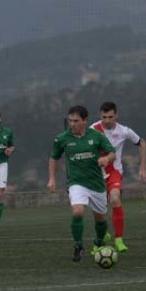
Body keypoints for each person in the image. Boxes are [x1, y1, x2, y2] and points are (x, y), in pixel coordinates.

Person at [48, 105, 116, 263]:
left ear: (85, 121)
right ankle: (78, 245)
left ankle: (99, 242)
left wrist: (106, 159)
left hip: (96, 183)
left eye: (76, 121)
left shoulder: (97, 136)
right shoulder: (62, 138)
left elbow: (112, 153)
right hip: (76, 182)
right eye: (70, 121)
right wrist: (52, 178)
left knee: (100, 218)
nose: (72, 124)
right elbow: (54, 158)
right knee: (78, 211)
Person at [91, 101, 146, 252]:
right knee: (98, 209)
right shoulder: (93, 129)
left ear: (116, 115)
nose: (107, 120)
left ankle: (119, 240)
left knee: (115, 199)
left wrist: (142, 168)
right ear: (100, 115)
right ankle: (102, 236)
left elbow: (142, 143)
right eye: (104, 117)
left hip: (115, 172)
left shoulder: (124, 131)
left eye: (111, 117)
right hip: (97, 174)